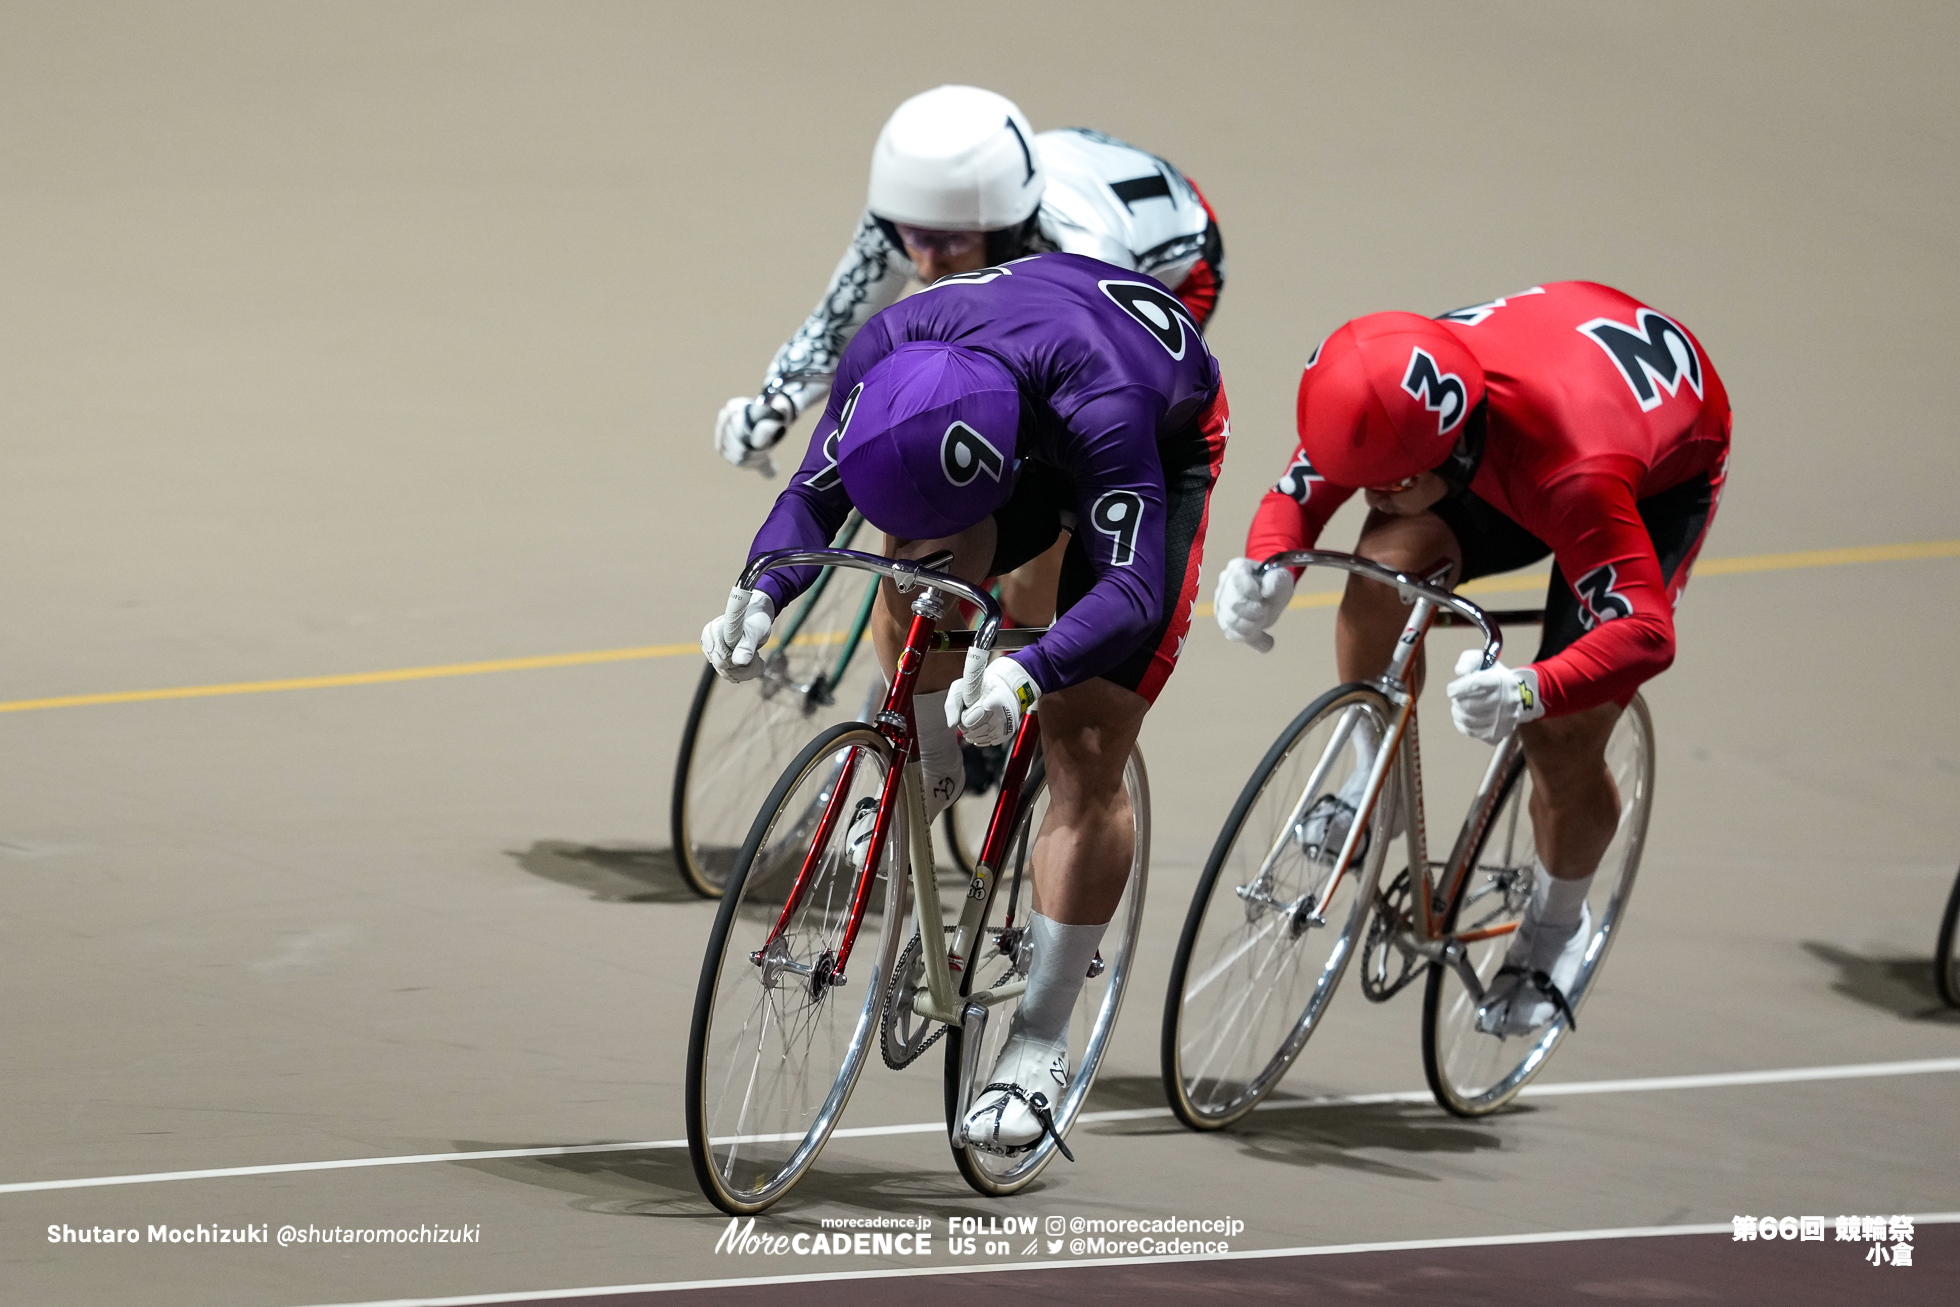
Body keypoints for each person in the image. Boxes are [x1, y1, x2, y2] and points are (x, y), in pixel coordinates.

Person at [703, 251, 1228, 1154]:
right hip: (992, 398)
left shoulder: (1101, 402)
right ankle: (933, 768)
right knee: (910, 573)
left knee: (1086, 735)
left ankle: (1038, 1041)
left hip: (1150, 425)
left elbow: (1135, 590)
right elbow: (815, 493)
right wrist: (759, 591)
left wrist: (1031, 671)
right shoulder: (882, 358)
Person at [1215, 282, 1729, 1033]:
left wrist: (1532, 688)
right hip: (1532, 415)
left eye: (1385, 486)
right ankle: (1374, 784)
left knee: (1561, 734)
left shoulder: (1573, 474)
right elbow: (1303, 487)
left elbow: (1648, 633)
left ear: (1439, 457)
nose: (1367, 495)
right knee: (1379, 578)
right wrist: (1268, 563)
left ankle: (1557, 928)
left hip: (1637, 475)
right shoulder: (1383, 387)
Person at [713, 84, 1225, 625]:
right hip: (1057, 188)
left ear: (1007, 232)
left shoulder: (1087, 252)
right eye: (917, 239)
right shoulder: (913, 211)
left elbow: (1105, 391)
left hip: (1164, 270)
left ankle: (1023, 641)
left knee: (1050, 490)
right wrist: (775, 401)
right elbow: (837, 323)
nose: (929, 265)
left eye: (952, 244)